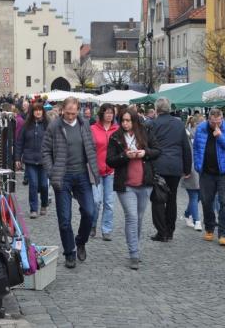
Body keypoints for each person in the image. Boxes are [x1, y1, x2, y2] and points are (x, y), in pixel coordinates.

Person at [41, 96, 100, 269]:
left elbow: (90, 147)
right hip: (63, 176)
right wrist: (52, 172)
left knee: (90, 211)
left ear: (78, 110)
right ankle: (69, 252)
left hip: (82, 174)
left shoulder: (84, 125)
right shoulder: (54, 126)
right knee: (64, 219)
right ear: (62, 110)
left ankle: (80, 241)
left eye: (74, 113)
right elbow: (45, 151)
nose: (71, 116)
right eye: (68, 113)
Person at [106, 108, 161, 269]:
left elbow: (157, 151)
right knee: (131, 217)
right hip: (125, 184)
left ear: (135, 121)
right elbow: (110, 160)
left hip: (145, 183)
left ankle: (135, 247)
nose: (125, 123)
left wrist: (145, 152)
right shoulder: (116, 137)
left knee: (139, 217)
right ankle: (134, 254)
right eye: (123, 120)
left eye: (128, 120)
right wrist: (125, 156)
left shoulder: (145, 132)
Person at [148, 97, 193, 242]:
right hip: (175, 166)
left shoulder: (153, 124)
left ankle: (162, 231)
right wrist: (187, 168)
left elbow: (148, 146)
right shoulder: (179, 124)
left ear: (156, 110)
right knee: (172, 199)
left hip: (159, 166)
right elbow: (186, 147)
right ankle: (170, 230)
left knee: (158, 199)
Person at [194, 108, 225, 246]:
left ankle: (224, 234)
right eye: (213, 123)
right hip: (206, 172)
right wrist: (197, 165)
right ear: (209, 120)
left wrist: (220, 136)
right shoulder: (201, 128)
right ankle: (210, 228)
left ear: (222, 119)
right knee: (206, 201)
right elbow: (196, 147)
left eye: (219, 122)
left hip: (224, 172)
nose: (216, 125)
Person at [15, 102, 50, 218]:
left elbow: (53, 143)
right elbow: (19, 143)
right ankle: (33, 209)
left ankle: (44, 204)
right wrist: (17, 158)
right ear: (32, 112)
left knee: (44, 185)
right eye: (36, 110)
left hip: (44, 160)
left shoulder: (48, 125)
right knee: (33, 185)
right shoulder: (26, 126)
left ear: (43, 112)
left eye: (40, 110)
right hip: (30, 160)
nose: (38, 112)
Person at [90, 104, 119, 240]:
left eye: (111, 113)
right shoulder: (93, 129)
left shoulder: (117, 130)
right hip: (96, 171)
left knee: (109, 202)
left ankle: (106, 229)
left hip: (111, 171)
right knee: (96, 201)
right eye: (107, 113)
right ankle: (92, 224)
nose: (109, 115)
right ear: (102, 114)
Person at [181, 114, 203, 231]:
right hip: (190, 169)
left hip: (200, 169)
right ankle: (197, 221)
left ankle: (186, 214)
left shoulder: (202, 136)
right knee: (194, 196)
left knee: (199, 196)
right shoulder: (186, 136)